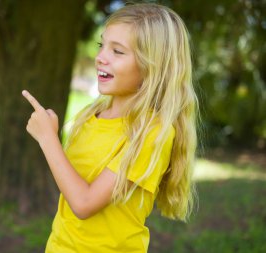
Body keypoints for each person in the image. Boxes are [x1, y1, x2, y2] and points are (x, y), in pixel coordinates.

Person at [22, 2, 198, 253]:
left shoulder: (152, 132)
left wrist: (48, 139)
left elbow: (84, 204)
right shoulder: (91, 115)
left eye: (118, 51)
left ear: (152, 67)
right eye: (101, 45)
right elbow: (72, 189)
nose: (101, 57)